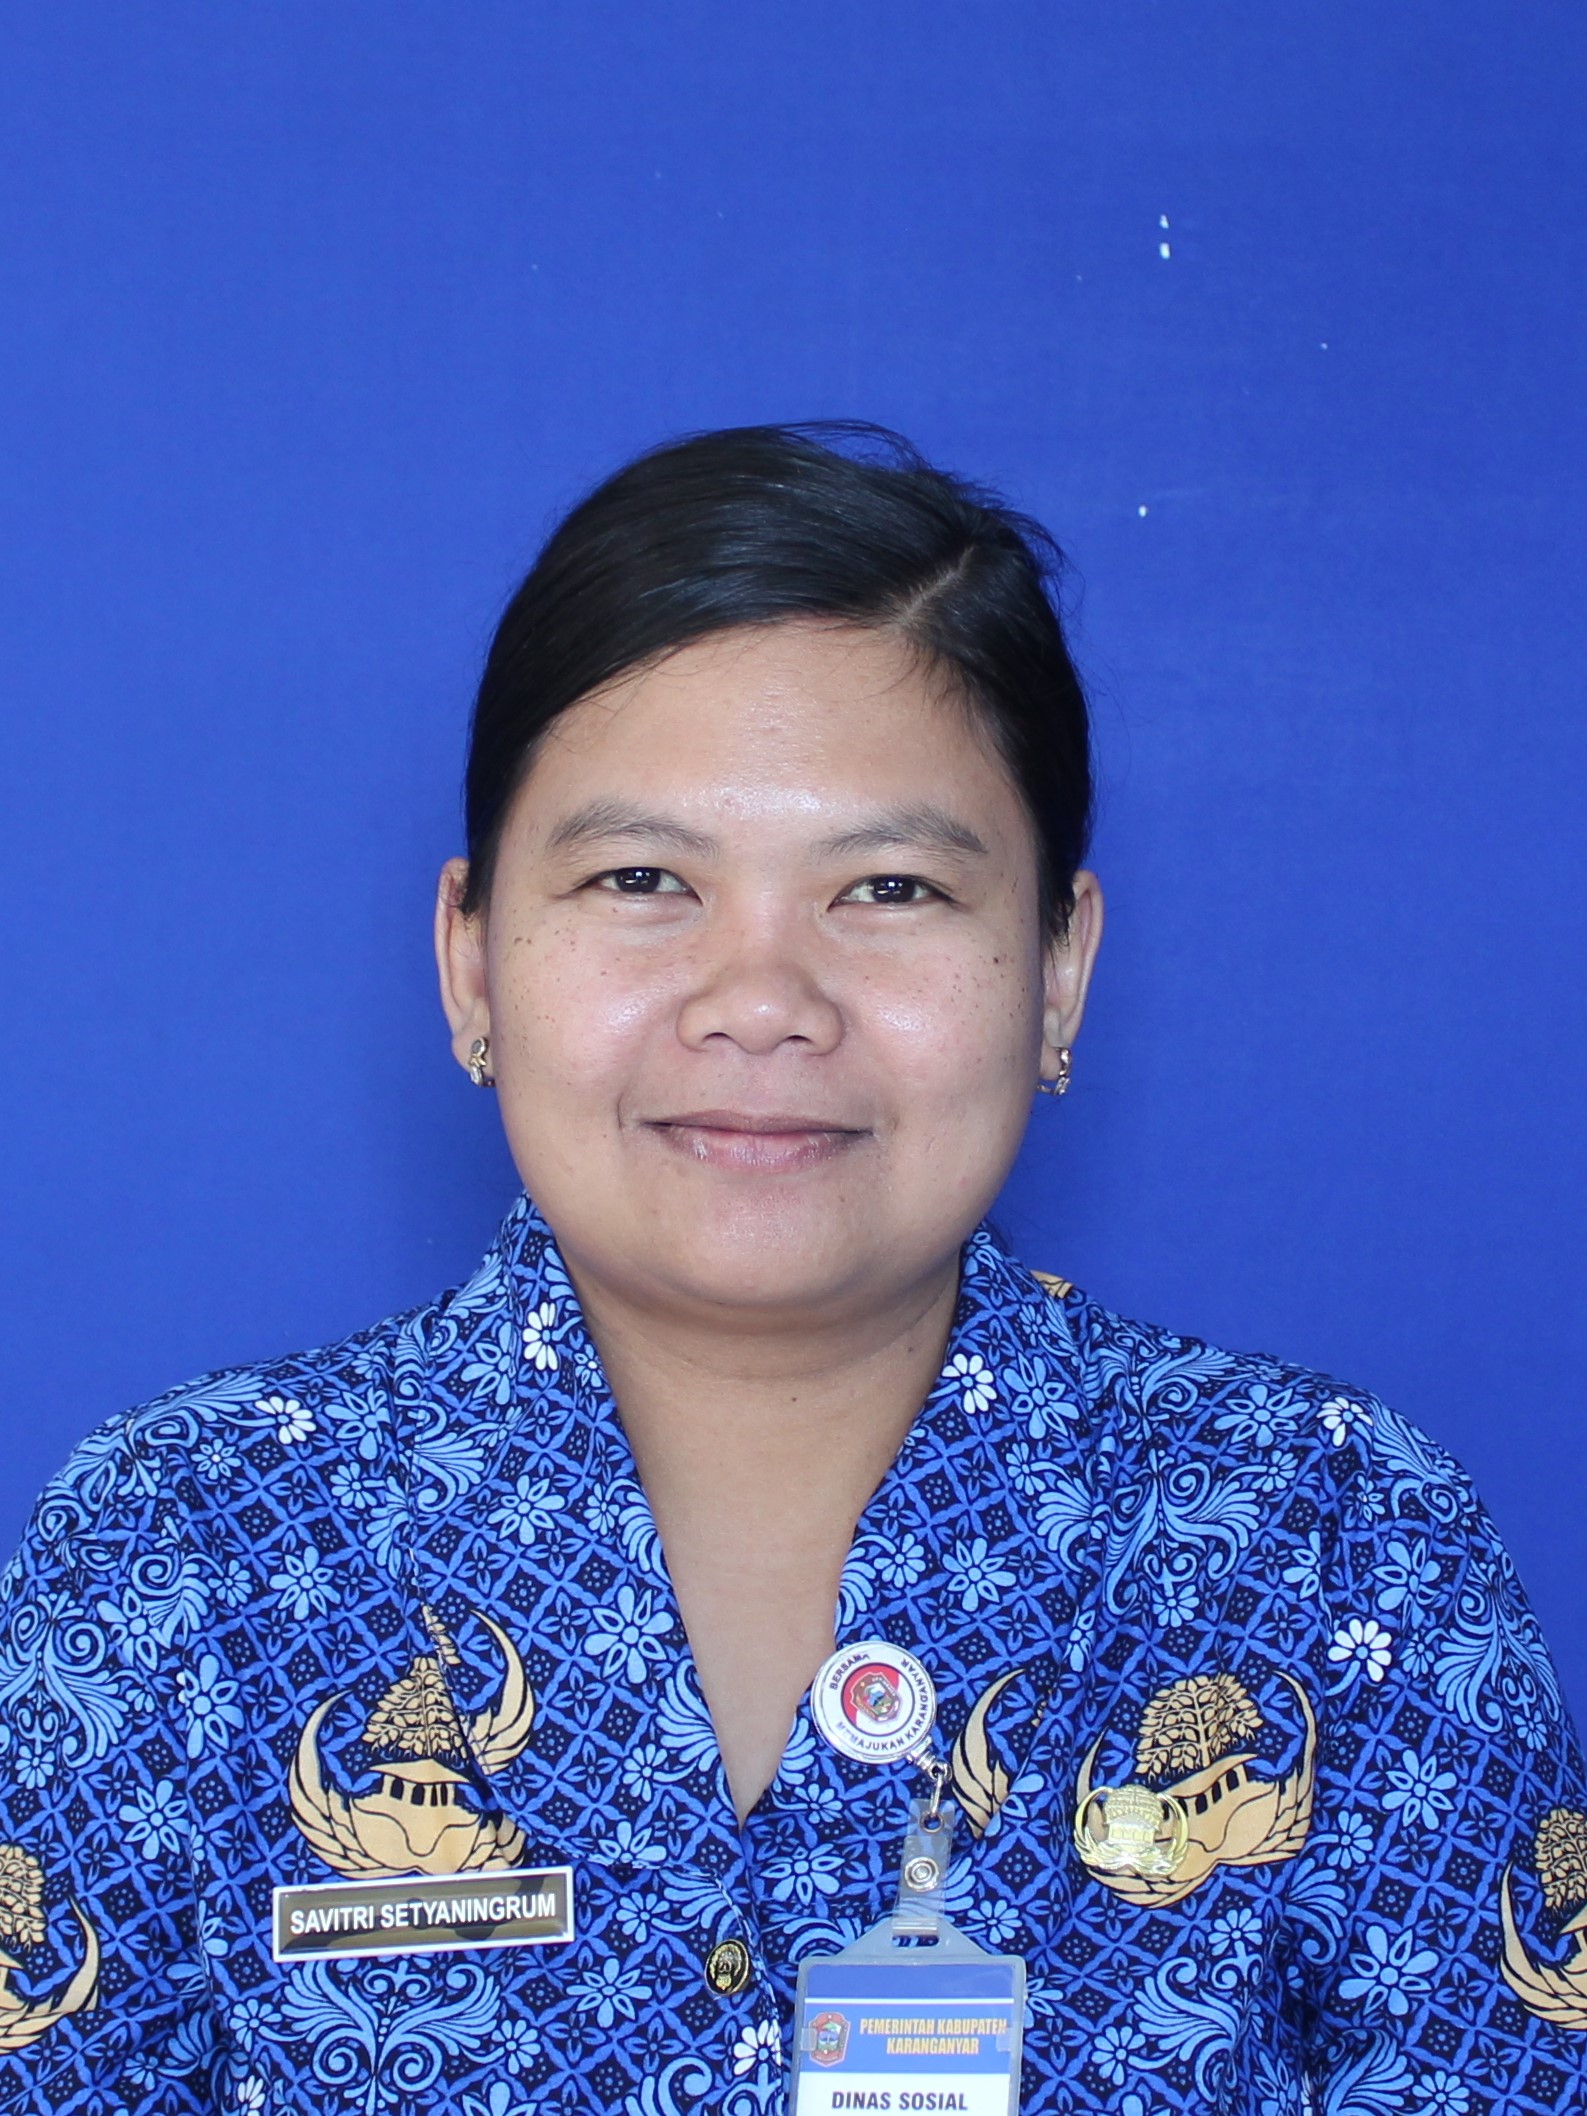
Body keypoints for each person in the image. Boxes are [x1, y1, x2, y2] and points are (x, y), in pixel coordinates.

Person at [0, 425, 1581, 2116]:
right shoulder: (186, 1550)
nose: (761, 1001)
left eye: (888, 887)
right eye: (641, 879)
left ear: (1058, 969)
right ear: (471, 963)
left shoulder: (1328, 1537)